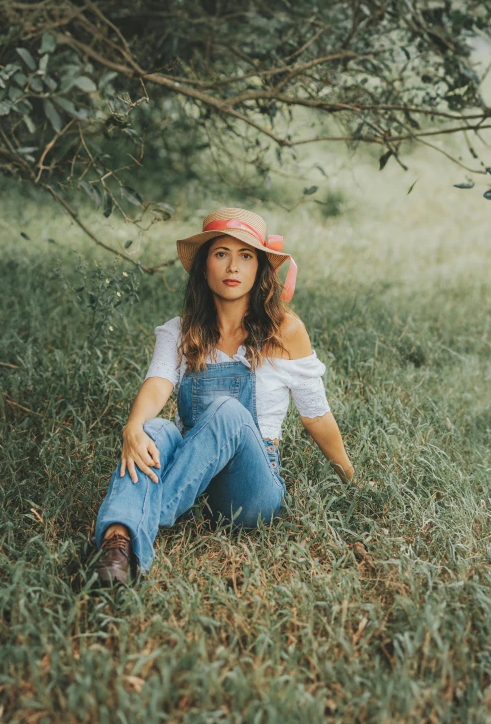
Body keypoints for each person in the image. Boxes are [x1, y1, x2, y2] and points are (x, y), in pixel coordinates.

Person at [94, 208, 354, 585]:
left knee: (228, 411)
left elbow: (315, 415)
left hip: (252, 489)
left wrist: (350, 476)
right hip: (194, 476)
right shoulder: (180, 331)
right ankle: (115, 547)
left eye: (245, 256)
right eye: (221, 254)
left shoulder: (286, 331)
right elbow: (158, 383)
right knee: (155, 430)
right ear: (204, 267)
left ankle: (144, 513)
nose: (233, 266)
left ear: (259, 270)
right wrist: (133, 426)